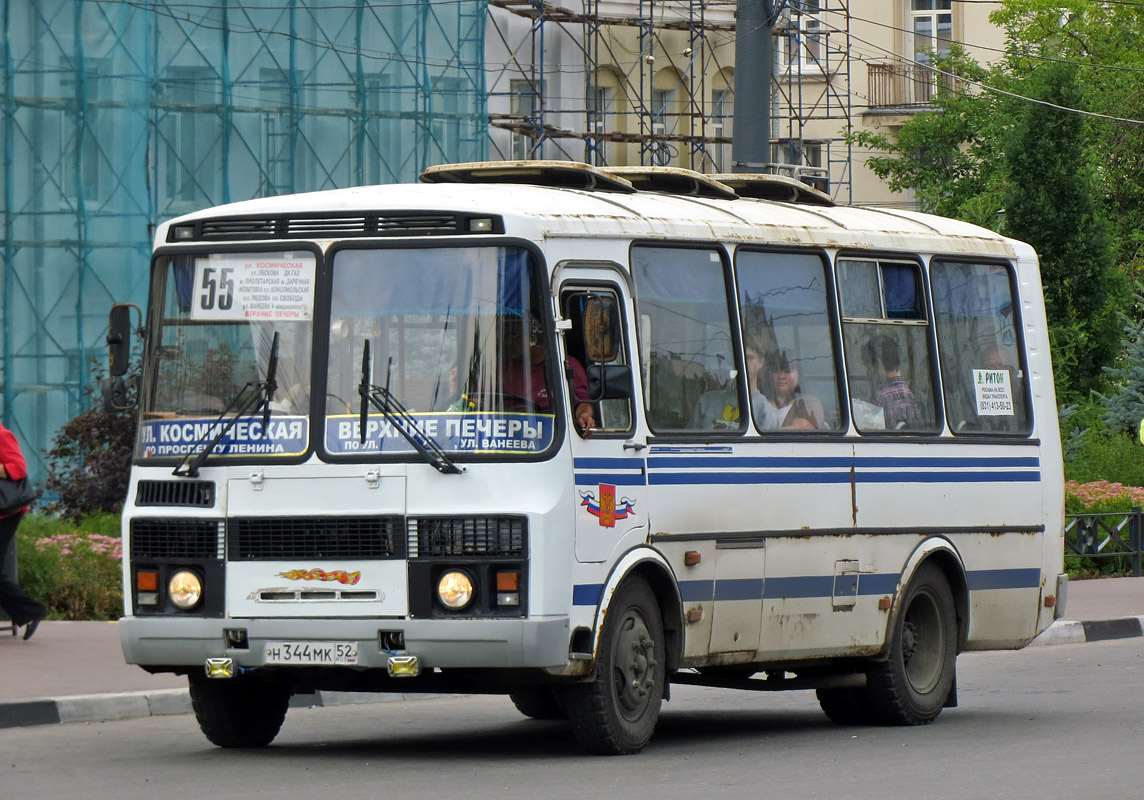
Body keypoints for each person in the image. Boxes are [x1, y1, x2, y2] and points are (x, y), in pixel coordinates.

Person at [458, 315, 597, 436]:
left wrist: (584, 416)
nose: (506, 342)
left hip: (550, 439)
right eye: (504, 335)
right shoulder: (502, 367)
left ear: (535, 337)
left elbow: (581, 403)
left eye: (513, 335)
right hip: (504, 436)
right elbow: (483, 398)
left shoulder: (565, 365)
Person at [0, 422, 46, 640]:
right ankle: (29, 612)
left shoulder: (2, 435)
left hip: (5, 514)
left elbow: (18, 468)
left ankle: (31, 612)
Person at [690, 341, 781, 430]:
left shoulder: (766, 411)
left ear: (761, 362)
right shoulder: (707, 401)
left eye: (749, 358)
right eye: (738, 357)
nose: (743, 363)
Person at [861, 334, 923, 430]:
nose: (869, 373)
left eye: (869, 368)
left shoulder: (881, 397)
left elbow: (868, 430)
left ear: (878, 363)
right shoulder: (911, 394)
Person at [759, 350, 825, 430]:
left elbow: (802, 428)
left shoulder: (808, 402)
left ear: (799, 374)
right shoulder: (761, 403)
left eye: (788, 371)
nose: (781, 376)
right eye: (776, 371)